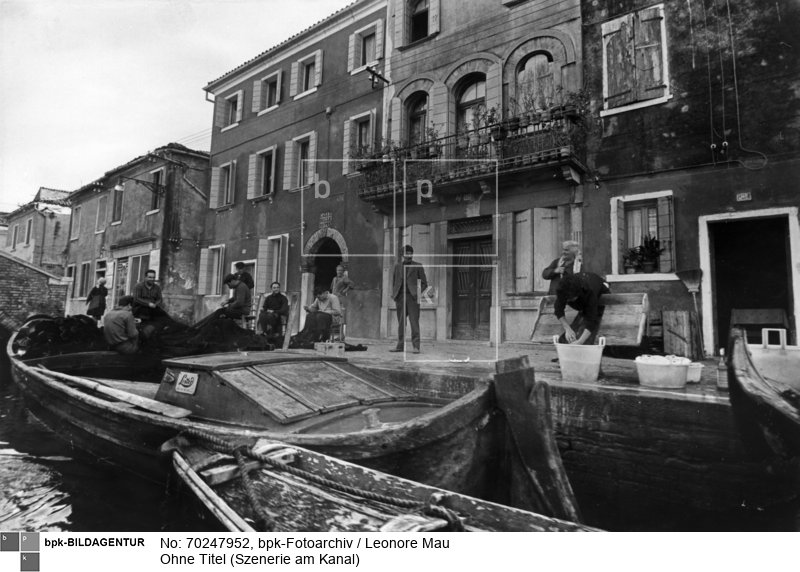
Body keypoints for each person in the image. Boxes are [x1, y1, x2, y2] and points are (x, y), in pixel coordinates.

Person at [554, 272, 610, 345]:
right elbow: (558, 310)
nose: (568, 301)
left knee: (584, 342)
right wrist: (567, 328)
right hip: (583, 301)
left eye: (570, 299)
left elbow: (592, 320)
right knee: (566, 340)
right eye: (566, 300)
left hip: (600, 294)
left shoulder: (590, 293)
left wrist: (580, 342)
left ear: (577, 294)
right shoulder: (563, 290)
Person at [390, 244, 428, 354]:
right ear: (402, 254)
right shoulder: (397, 267)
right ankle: (400, 346)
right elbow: (394, 282)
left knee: (414, 322)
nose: (409, 255)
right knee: (401, 323)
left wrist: (417, 294)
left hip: (413, 299)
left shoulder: (418, 266)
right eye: (407, 253)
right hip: (400, 298)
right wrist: (395, 295)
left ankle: (416, 347)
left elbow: (425, 283)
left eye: (411, 253)